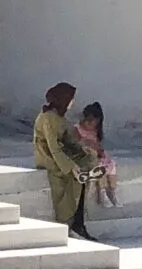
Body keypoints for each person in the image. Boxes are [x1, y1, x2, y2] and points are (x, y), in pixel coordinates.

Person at [33, 84, 100, 238]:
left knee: (90, 157)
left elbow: (68, 140)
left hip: (59, 152)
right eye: (70, 99)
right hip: (47, 156)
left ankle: (85, 174)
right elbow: (53, 147)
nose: (72, 102)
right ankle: (71, 220)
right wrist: (71, 167)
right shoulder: (48, 118)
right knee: (71, 177)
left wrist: (82, 149)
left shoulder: (59, 117)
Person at [73, 101, 119, 209]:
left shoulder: (94, 131)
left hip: (96, 155)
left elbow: (98, 146)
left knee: (111, 165)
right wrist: (85, 144)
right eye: (89, 122)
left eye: (94, 123)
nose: (91, 125)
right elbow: (74, 145)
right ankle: (102, 193)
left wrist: (100, 151)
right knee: (100, 168)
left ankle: (112, 192)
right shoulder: (77, 129)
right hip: (85, 158)